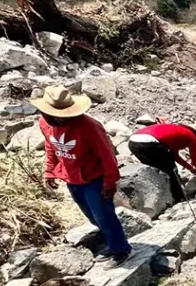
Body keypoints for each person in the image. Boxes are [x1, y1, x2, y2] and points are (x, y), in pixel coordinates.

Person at [32, 86, 131, 264]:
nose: (61, 118)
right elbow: (50, 147)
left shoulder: (89, 126)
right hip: (72, 178)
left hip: (94, 179)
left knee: (104, 216)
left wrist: (110, 181)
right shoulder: (45, 123)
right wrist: (49, 171)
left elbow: (107, 155)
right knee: (91, 215)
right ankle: (109, 242)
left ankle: (121, 250)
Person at [128, 121, 196, 204]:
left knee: (157, 170)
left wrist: (190, 168)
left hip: (133, 142)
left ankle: (162, 197)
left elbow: (175, 156)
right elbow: (195, 158)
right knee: (171, 170)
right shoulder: (192, 136)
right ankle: (180, 198)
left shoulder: (178, 132)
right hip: (149, 142)